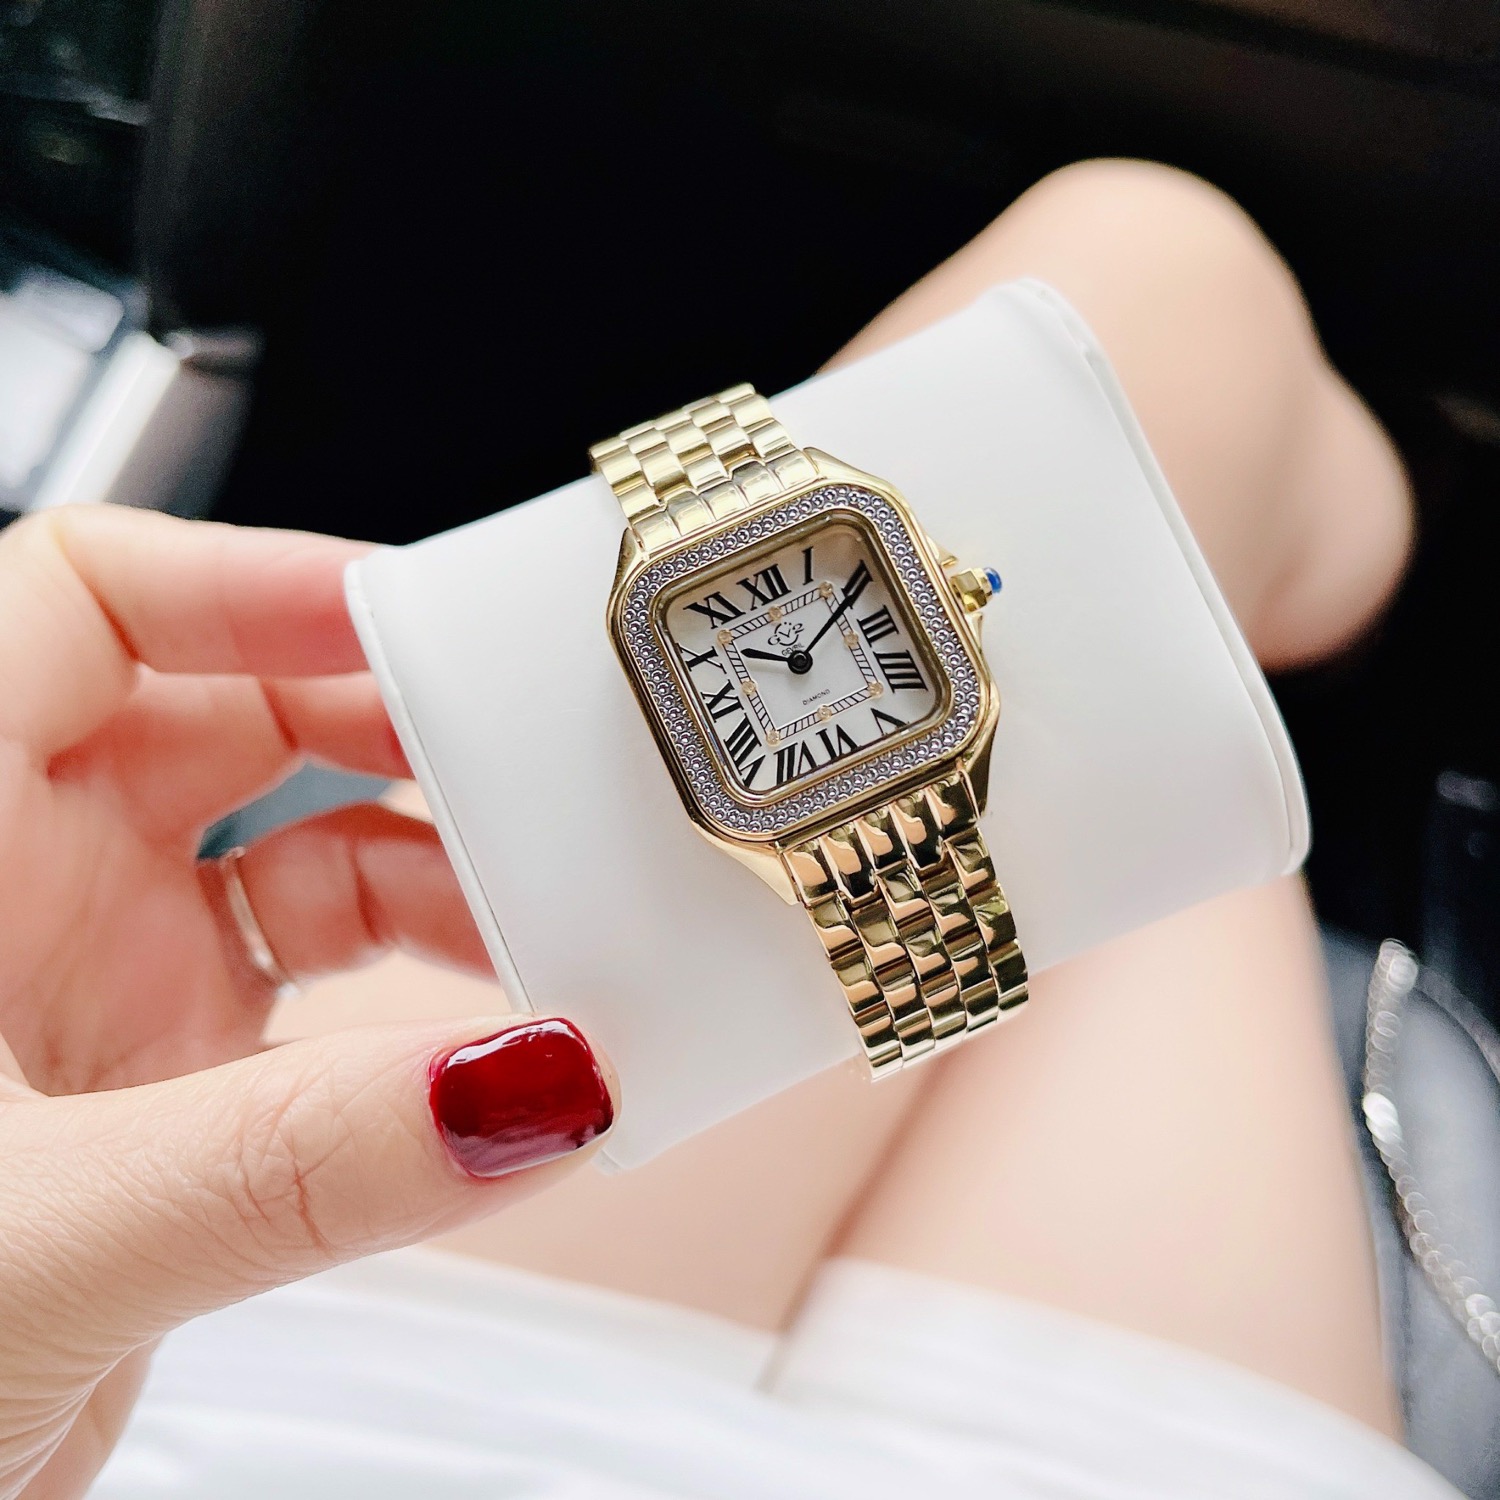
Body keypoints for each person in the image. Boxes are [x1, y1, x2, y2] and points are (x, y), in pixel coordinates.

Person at [0, 159, 1448, 1500]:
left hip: (268, 1379)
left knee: (1161, 715)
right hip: (335, 1354)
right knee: (1161, 292)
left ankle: (1285, 641)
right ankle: (1369, 629)